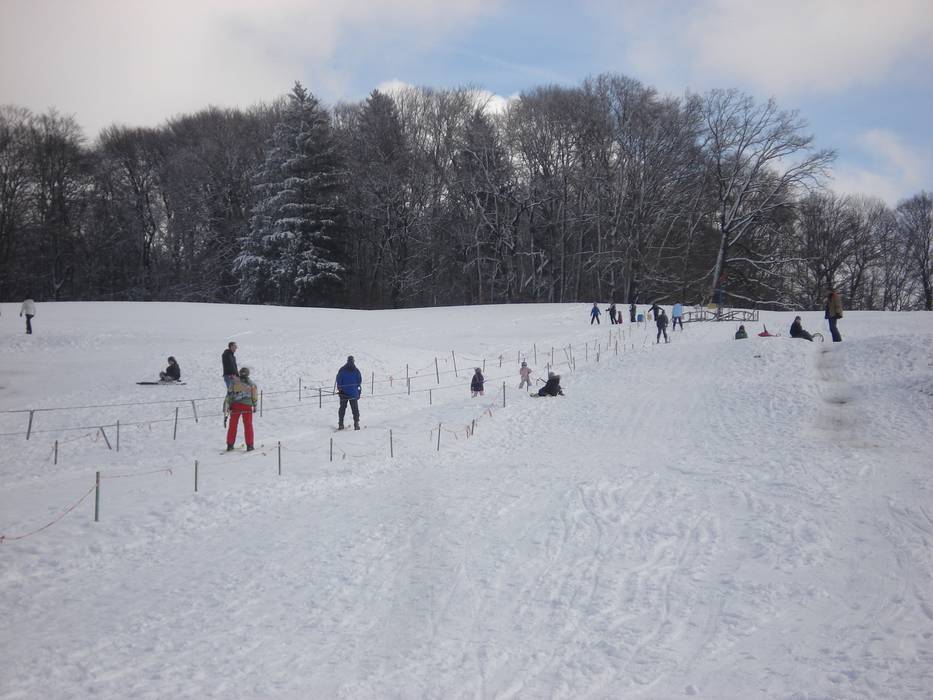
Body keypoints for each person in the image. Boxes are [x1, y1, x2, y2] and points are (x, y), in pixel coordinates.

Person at [224, 367, 258, 451]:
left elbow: (229, 394)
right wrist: (255, 405)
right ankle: (250, 445)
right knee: (248, 425)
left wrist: (227, 405)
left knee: (233, 425)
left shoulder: (234, 382)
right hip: (247, 406)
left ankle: (230, 444)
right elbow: (254, 396)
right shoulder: (252, 383)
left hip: (236, 405)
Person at [336, 355, 362, 430]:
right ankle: (356, 424)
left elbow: (339, 380)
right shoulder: (356, 370)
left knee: (342, 408)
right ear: (353, 361)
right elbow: (359, 381)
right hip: (353, 393)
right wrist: (357, 390)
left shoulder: (342, 370)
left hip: (343, 393)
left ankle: (341, 424)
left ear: (347, 361)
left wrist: (340, 389)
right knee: (355, 409)